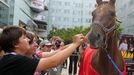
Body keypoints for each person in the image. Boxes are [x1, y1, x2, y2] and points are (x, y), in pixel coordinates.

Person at [0, 26, 84, 75]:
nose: (28, 40)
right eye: (24, 38)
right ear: (15, 43)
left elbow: (58, 52)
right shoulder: (15, 60)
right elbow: (54, 61)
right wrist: (75, 44)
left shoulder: (11, 58)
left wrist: (76, 43)